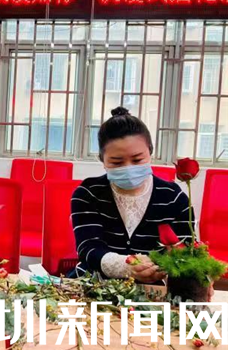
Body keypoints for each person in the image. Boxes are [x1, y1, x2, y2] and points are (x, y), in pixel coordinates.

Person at [71, 107, 194, 283]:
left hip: (153, 289)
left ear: (150, 152)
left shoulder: (173, 198)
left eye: (137, 160)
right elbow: (88, 248)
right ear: (102, 159)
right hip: (93, 284)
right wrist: (125, 267)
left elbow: (187, 253)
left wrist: (162, 270)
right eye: (117, 162)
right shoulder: (88, 193)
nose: (128, 168)